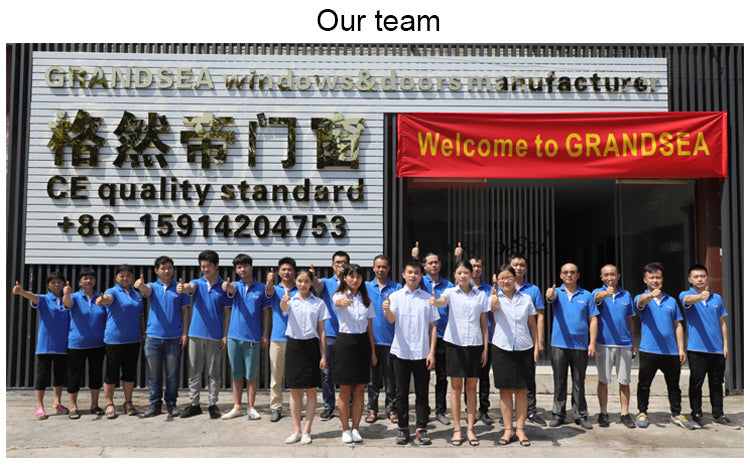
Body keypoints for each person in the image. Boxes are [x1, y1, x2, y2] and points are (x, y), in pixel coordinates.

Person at [430, 260, 490, 446]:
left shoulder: (481, 295)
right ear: (455, 275)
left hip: (475, 345)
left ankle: (470, 428)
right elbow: (442, 302)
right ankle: (457, 429)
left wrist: (485, 349)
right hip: (454, 345)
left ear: (472, 274)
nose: (463, 276)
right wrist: (436, 302)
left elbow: (484, 324)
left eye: (466, 272)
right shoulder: (450, 292)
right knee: (455, 388)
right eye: (459, 272)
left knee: (471, 389)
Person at [383, 258, 439, 445]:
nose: (413, 275)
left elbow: (433, 327)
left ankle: (421, 428)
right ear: (403, 275)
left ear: (421, 275)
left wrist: (432, 352)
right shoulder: (396, 296)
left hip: (422, 353)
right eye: (410, 272)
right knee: (401, 393)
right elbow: (391, 319)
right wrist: (386, 310)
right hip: (401, 353)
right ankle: (403, 428)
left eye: (416, 272)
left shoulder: (427, 298)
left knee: (422, 393)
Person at [634, 262, 694, 430]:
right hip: (649, 350)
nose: (655, 280)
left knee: (674, 386)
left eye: (658, 277)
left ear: (662, 279)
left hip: (671, 352)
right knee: (644, 384)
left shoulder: (671, 301)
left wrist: (681, 348)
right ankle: (642, 412)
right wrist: (651, 295)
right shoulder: (642, 298)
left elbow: (678, 325)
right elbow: (641, 302)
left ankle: (676, 414)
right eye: (651, 277)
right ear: (645, 280)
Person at [680, 264, 738, 428]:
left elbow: (722, 322)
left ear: (707, 278)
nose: (700, 279)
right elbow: (687, 301)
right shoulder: (686, 295)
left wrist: (725, 345)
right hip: (696, 349)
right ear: (690, 279)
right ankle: (696, 413)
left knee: (717, 383)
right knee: (696, 383)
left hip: (716, 350)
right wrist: (699, 297)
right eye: (696, 277)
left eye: (702, 276)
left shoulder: (716, 298)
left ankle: (718, 414)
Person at [178, 250, 231, 419]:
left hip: (215, 336)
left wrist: (225, 335)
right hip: (195, 334)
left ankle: (213, 404)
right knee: (194, 370)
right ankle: (194, 404)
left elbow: (227, 313)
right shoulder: (197, 283)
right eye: (202, 266)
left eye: (208, 266)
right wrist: (184, 288)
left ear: (216, 265)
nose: (205, 269)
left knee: (214, 372)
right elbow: (190, 288)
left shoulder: (223, 287)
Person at [135, 256, 191, 418]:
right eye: (163, 268)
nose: (167, 271)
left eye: (169, 267)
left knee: (172, 374)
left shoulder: (179, 288)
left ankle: (171, 404)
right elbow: (146, 291)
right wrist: (140, 285)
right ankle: (155, 404)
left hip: (174, 338)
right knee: (154, 375)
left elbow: (185, 311)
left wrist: (185, 333)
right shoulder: (153, 287)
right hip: (153, 337)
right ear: (156, 270)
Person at [490, 264, 538, 447]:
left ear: (514, 278)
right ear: (497, 280)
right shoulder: (494, 298)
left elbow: (532, 324)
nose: (506, 281)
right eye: (502, 278)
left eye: (508, 277)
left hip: (524, 348)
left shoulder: (526, 299)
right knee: (505, 390)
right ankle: (508, 429)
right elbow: (491, 306)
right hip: (501, 348)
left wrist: (536, 347)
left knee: (522, 390)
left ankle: (520, 429)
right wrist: (493, 297)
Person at [545, 262, 598, 430]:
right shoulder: (556, 293)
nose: (569, 275)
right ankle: (558, 414)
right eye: (566, 272)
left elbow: (593, 319)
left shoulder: (587, 295)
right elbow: (550, 297)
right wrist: (549, 294)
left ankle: (580, 415)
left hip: (580, 346)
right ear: (561, 275)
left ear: (578, 275)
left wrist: (592, 343)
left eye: (572, 272)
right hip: (559, 344)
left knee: (579, 382)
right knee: (559, 381)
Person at [412, 242, 458, 426]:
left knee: (442, 376)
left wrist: (459, 259)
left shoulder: (448, 285)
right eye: (430, 262)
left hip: (444, 337)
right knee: (422, 377)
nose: (433, 265)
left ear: (440, 264)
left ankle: (440, 410)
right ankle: (423, 410)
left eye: (436, 262)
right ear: (424, 266)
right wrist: (414, 258)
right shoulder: (420, 282)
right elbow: (411, 274)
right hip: (423, 336)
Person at [221, 253, 272, 421]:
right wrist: (228, 287)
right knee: (236, 373)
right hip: (233, 337)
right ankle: (237, 406)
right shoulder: (234, 286)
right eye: (239, 267)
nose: (242, 269)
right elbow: (231, 290)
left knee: (251, 374)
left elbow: (266, 313)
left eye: (245, 266)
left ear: (251, 267)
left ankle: (251, 407)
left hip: (253, 338)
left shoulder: (261, 288)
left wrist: (265, 334)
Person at [281, 269, 329, 445]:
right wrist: (284, 301)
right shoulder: (290, 300)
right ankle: (297, 431)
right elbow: (283, 309)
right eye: (299, 281)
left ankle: (307, 430)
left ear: (311, 283)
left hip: (311, 346)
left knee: (311, 390)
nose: (303, 284)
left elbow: (322, 330)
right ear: (295, 281)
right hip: (294, 346)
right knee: (294, 391)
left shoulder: (319, 303)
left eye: (306, 281)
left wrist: (324, 355)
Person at [12, 272, 70, 420]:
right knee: (42, 376)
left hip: (62, 345)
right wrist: (22, 292)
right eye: (53, 282)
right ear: (48, 285)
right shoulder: (44, 299)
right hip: (46, 345)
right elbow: (33, 296)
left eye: (59, 282)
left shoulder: (68, 300)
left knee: (59, 376)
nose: (57, 285)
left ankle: (57, 403)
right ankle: (39, 406)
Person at [332, 264, 377, 443]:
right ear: (345, 278)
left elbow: (370, 327)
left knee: (359, 389)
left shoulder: (367, 300)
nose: (355, 280)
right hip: (345, 343)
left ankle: (356, 428)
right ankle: (345, 429)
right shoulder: (339, 296)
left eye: (358, 277)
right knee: (345, 389)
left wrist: (373, 351)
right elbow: (337, 302)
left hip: (362, 344)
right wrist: (343, 302)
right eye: (351, 276)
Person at [97, 265, 145, 419]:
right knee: (112, 372)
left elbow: (141, 317)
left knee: (129, 373)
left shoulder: (137, 295)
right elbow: (108, 300)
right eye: (122, 275)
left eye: (128, 275)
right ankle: (109, 403)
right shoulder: (112, 292)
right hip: (114, 340)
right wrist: (103, 300)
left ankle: (128, 402)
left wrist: (143, 335)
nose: (125, 278)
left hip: (133, 339)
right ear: (116, 277)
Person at [592, 264, 637, 429]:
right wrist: (606, 294)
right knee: (603, 380)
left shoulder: (626, 295)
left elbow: (630, 320)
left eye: (612, 274)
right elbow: (596, 298)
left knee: (624, 381)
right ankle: (603, 413)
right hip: (604, 343)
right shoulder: (597, 293)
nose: (609, 277)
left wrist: (632, 343)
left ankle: (624, 413)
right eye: (606, 275)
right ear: (601, 277)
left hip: (624, 344)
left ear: (618, 276)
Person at [310, 250, 350, 421]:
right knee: (327, 371)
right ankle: (328, 406)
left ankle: (347, 405)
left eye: (344, 262)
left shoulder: (352, 281)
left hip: (348, 333)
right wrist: (313, 278)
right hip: (330, 333)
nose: (341, 265)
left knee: (347, 371)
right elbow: (318, 285)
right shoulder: (327, 282)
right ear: (333, 265)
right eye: (338, 262)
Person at [508, 253, 546, 427]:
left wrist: (539, 341)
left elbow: (539, 316)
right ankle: (509, 413)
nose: (518, 268)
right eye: (515, 264)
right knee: (509, 378)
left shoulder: (533, 290)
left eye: (522, 265)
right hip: (507, 341)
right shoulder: (502, 287)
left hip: (527, 341)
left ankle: (530, 411)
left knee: (528, 376)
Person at [63, 267, 106, 419]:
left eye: (91, 278)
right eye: (85, 278)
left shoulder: (100, 298)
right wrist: (66, 294)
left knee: (95, 375)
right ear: (80, 281)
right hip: (77, 344)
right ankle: (73, 406)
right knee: (74, 376)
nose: (88, 281)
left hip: (97, 343)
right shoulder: (74, 297)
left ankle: (94, 405)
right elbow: (67, 304)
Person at [365, 254, 401, 424]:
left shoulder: (397, 288)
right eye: (378, 266)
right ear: (373, 268)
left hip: (391, 340)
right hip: (371, 340)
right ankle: (372, 409)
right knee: (372, 379)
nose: (381, 270)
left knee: (390, 379)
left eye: (384, 267)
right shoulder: (365, 287)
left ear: (389, 268)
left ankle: (391, 409)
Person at [265, 257, 298, 422]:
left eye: (289, 269)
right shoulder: (275, 289)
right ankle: (276, 407)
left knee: (296, 376)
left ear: (294, 272)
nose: (286, 272)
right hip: (277, 337)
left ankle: (296, 408)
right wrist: (269, 281)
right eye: (283, 269)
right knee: (276, 376)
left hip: (296, 338)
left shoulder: (300, 289)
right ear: (278, 272)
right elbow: (268, 292)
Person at [467, 254, 494, 426]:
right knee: (469, 377)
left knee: (484, 377)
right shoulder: (462, 287)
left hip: (486, 338)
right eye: (473, 266)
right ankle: (469, 410)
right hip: (467, 339)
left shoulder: (490, 289)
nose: (475, 269)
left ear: (482, 269)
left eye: (478, 266)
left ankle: (484, 410)